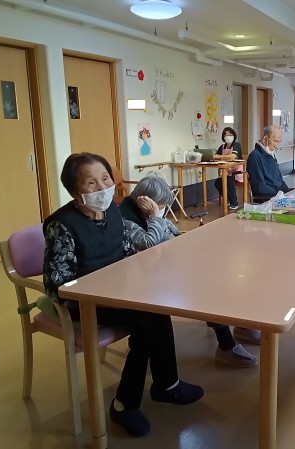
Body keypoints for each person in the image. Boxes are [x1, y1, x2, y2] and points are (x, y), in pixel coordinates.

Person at [43, 153, 204, 438]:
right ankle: (124, 403)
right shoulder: (62, 224)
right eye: (91, 183)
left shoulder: (114, 213)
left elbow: (129, 253)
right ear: (74, 192)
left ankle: (166, 384)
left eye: (105, 178)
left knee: (158, 307)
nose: (102, 187)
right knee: (146, 324)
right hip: (84, 300)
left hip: (117, 292)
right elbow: (59, 283)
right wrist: (108, 290)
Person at [120, 175, 258, 368]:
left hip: (168, 264)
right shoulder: (127, 219)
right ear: (145, 202)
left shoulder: (149, 213)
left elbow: (173, 233)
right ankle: (226, 345)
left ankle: (241, 325)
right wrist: (155, 216)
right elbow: (149, 243)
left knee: (220, 269)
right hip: (148, 276)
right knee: (207, 283)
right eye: (160, 206)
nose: (162, 210)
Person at [247, 125, 290, 202]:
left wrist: (288, 193)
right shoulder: (254, 157)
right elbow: (259, 187)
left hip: (278, 195)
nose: (277, 146)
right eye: (275, 141)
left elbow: (279, 181)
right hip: (267, 199)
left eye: (279, 142)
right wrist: (278, 194)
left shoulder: (270, 155)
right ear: (265, 139)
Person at [213, 127, 243, 210]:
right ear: (223, 137)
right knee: (217, 183)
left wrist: (220, 157)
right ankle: (227, 199)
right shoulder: (222, 147)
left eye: (230, 135)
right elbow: (215, 157)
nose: (228, 137)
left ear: (234, 136)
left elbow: (233, 156)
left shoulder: (237, 145)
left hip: (237, 171)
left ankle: (234, 203)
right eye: (226, 135)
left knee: (229, 179)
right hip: (226, 170)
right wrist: (218, 157)